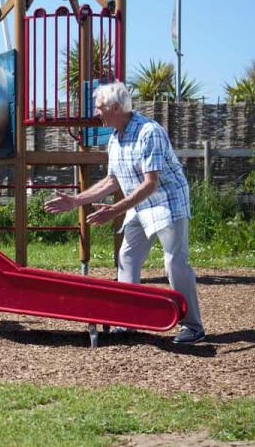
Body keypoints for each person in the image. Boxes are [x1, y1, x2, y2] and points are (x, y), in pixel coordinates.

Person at [43, 81, 205, 344]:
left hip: (167, 202)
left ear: (115, 108)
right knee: (127, 256)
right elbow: (112, 182)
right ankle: (128, 319)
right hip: (139, 204)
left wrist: (115, 210)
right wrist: (75, 201)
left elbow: (151, 183)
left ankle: (193, 326)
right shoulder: (116, 137)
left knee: (174, 261)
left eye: (99, 108)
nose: (96, 113)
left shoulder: (149, 132)